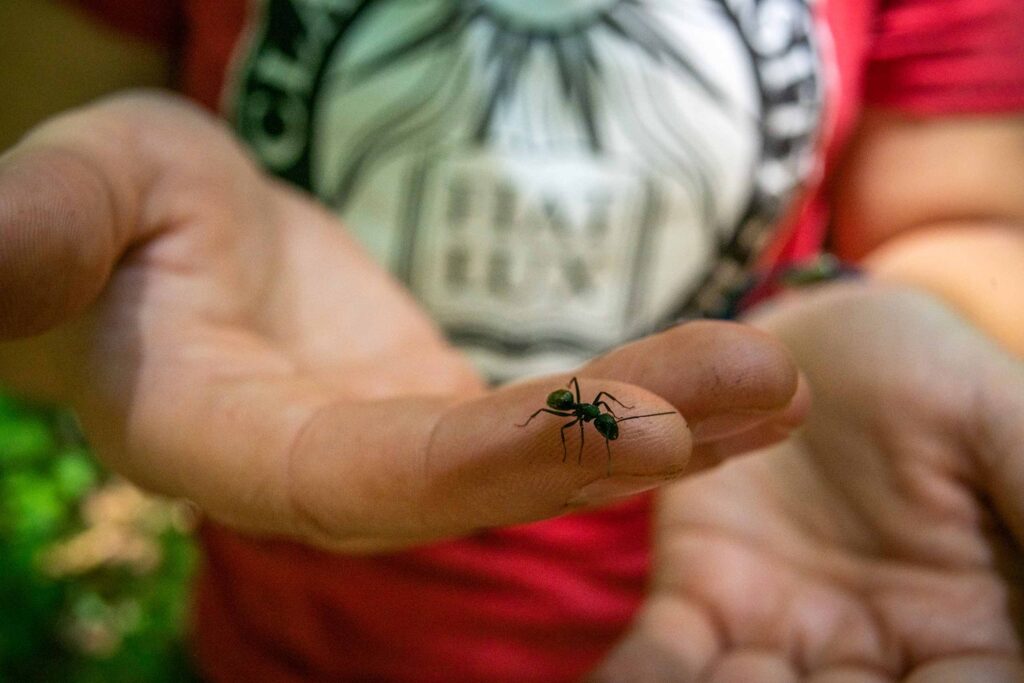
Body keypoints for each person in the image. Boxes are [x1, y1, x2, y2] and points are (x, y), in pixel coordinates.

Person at [0, 0, 1022, 681]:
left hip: (736, 589)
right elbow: (36, 330)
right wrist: (112, 294)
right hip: (299, 636)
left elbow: (961, 217)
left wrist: (910, 310)